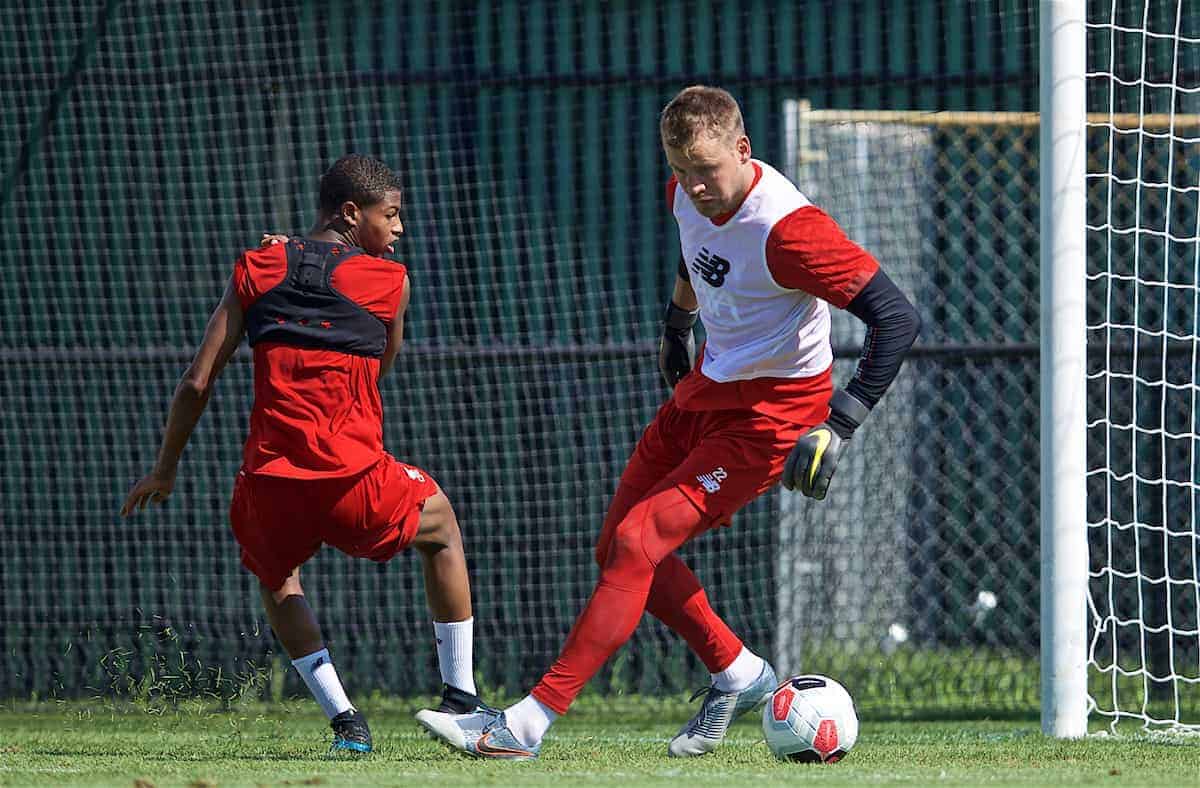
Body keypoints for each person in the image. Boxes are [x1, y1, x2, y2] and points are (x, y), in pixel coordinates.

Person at [415, 86, 922, 761]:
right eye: (681, 169)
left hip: (772, 416)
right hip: (705, 391)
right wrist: (677, 322)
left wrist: (843, 420)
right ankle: (739, 671)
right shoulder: (685, 191)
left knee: (637, 540)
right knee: (616, 552)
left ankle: (523, 726)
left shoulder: (792, 229)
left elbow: (898, 316)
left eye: (707, 169)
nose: (694, 185)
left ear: (743, 150)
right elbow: (696, 250)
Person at [120, 154, 485, 754]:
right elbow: (380, 366)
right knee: (441, 525)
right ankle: (462, 699)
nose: (399, 229)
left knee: (277, 577)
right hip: (355, 480)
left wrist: (165, 468)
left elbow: (195, 382)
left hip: (270, 484)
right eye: (390, 215)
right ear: (350, 212)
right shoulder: (391, 281)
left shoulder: (256, 266)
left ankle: (345, 722)